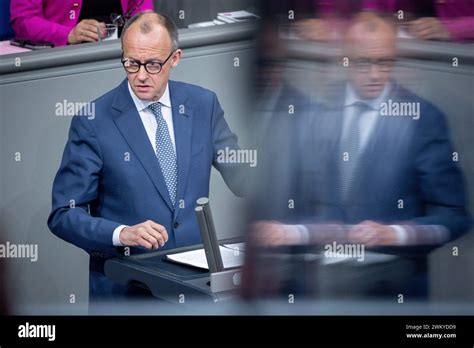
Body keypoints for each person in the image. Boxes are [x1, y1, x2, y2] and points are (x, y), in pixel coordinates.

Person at [48, 11, 245, 300]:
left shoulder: (203, 105)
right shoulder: (93, 121)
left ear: (175, 58)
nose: (140, 75)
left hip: (195, 289)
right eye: (131, 63)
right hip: (129, 289)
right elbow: (63, 213)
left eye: (153, 64)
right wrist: (121, 233)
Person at [10, 0, 153, 46]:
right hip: (65, 58)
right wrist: (67, 34)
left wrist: (144, 19)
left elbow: (140, 5)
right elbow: (23, 21)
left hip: (123, 51)